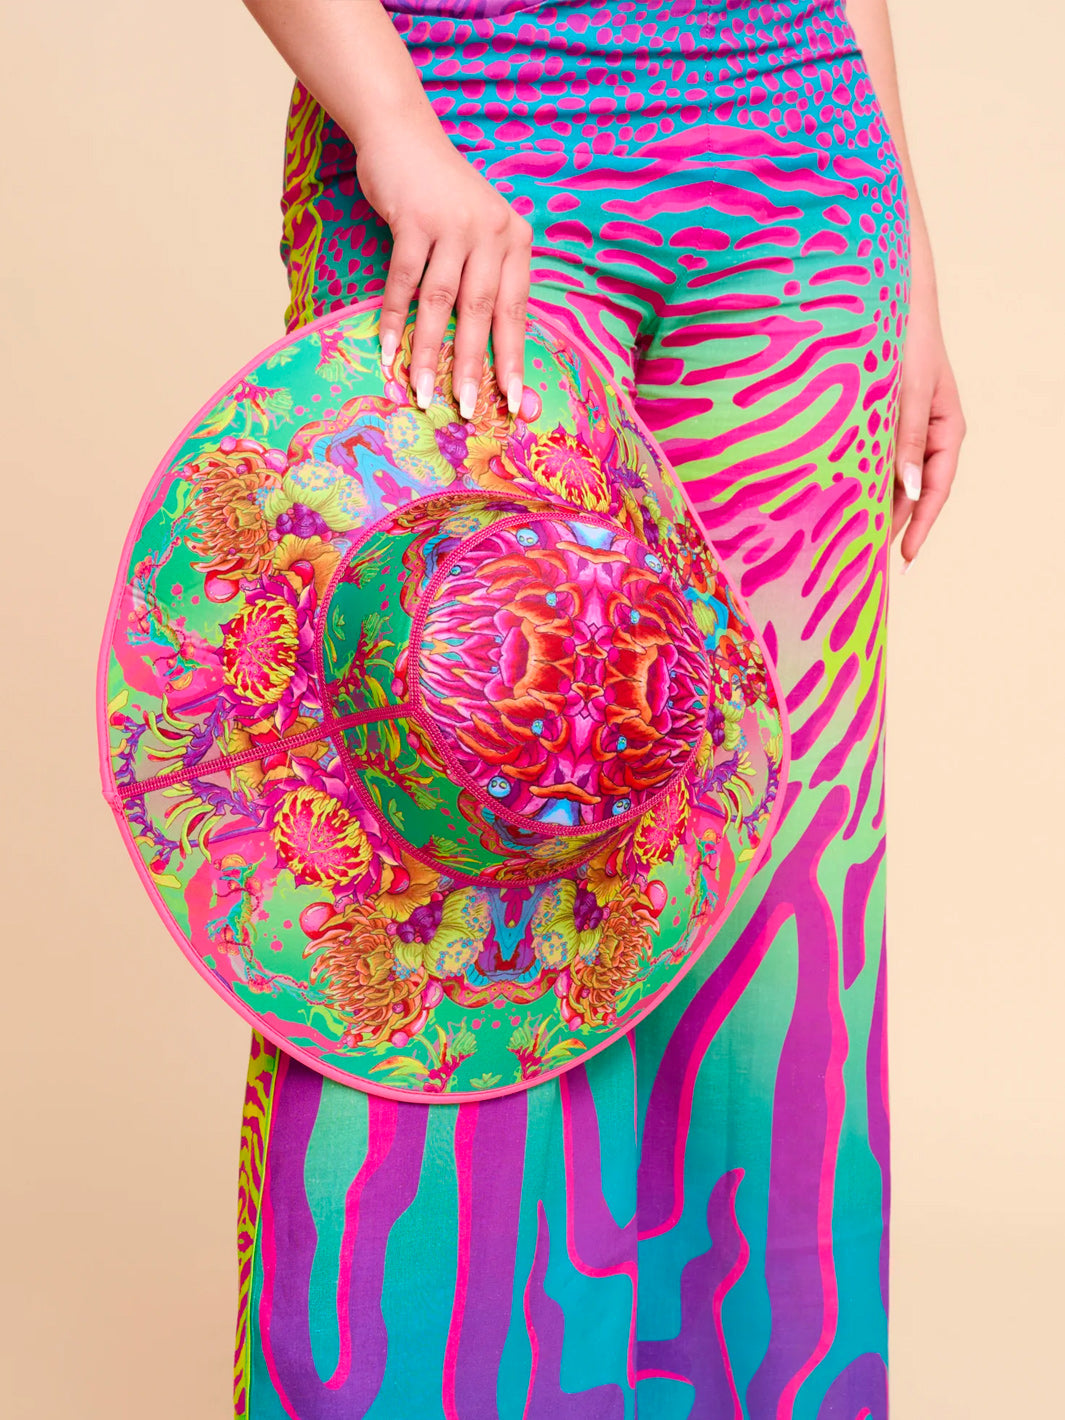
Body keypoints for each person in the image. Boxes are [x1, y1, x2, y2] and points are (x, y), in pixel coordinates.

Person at [234, 1, 964, 1415]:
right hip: (473, 145)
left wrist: (912, 257)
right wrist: (389, 127)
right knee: (447, 857)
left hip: (806, 179)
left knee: (770, 864)